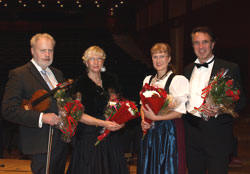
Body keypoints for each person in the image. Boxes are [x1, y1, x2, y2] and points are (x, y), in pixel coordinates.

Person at [1, 33, 68, 174]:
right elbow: (8, 110)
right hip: (40, 144)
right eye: (43, 50)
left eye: (50, 50)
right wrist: (41, 118)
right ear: (32, 51)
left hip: (61, 142)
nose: (47, 54)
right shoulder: (19, 74)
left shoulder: (58, 74)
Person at [183, 26, 246, 174]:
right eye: (196, 42)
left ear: (212, 44)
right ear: (192, 45)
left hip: (217, 135)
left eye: (205, 42)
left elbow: (241, 102)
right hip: (192, 135)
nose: (201, 47)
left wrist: (221, 108)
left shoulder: (229, 68)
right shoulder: (187, 69)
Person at [67, 45, 129, 174]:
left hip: (111, 138)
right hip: (89, 139)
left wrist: (121, 122)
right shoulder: (79, 84)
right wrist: (103, 123)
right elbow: (77, 115)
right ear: (86, 62)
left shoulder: (112, 80)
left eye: (99, 59)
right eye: (92, 59)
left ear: (103, 61)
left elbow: (121, 107)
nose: (96, 62)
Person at [137, 43, 189, 174]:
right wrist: (144, 121)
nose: (158, 60)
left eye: (162, 56)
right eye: (155, 57)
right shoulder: (147, 80)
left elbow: (179, 113)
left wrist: (156, 118)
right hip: (150, 131)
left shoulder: (178, 80)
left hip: (169, 131)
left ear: (169, 59)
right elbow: (143, 107)